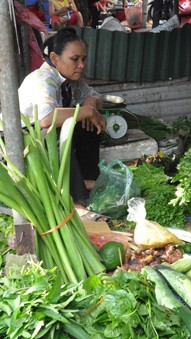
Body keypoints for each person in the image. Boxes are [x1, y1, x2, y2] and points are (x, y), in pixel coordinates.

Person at [18, 27, 108, 222]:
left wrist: (90, 105)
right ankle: (75, 202)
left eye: (84, 59)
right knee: (60, 129)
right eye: (75, 59)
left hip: (40, 138)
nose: (81, 65)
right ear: (55, 57)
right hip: (22, 145)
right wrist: (85, 112)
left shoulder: (69, 80)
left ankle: (85, 182)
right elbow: (45, 119)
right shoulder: (43, 79)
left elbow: (96, 96)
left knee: (87, 123)